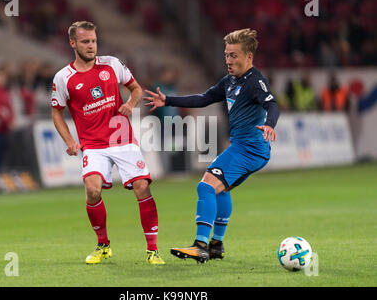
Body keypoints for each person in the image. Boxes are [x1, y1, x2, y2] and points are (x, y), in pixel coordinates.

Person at [145, 28, 280, 263]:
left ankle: (200, 245)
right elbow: (203, 98)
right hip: (244, 148)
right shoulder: (229, 81)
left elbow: (272, 105)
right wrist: (168, 99)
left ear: (249, 57)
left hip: (250, 148)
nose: (228, 60)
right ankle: (216, 245)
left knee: (205, 187)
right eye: (226, 55)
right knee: (219, 188)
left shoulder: (255, 82)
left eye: (234, 55)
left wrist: (269, 124)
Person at [51, 21, 164, 265]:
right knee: (92, 190)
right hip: (92, 144)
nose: (91, 46)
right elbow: (56, 112)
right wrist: (70, 141)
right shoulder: (63, 78)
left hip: (121, 138)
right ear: (73, 44)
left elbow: (136, 89)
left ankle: (152, 250)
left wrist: (131, 104)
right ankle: (103, 245)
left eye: (93, 41)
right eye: (85, 42)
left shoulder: (112, 64)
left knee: (142, 187)